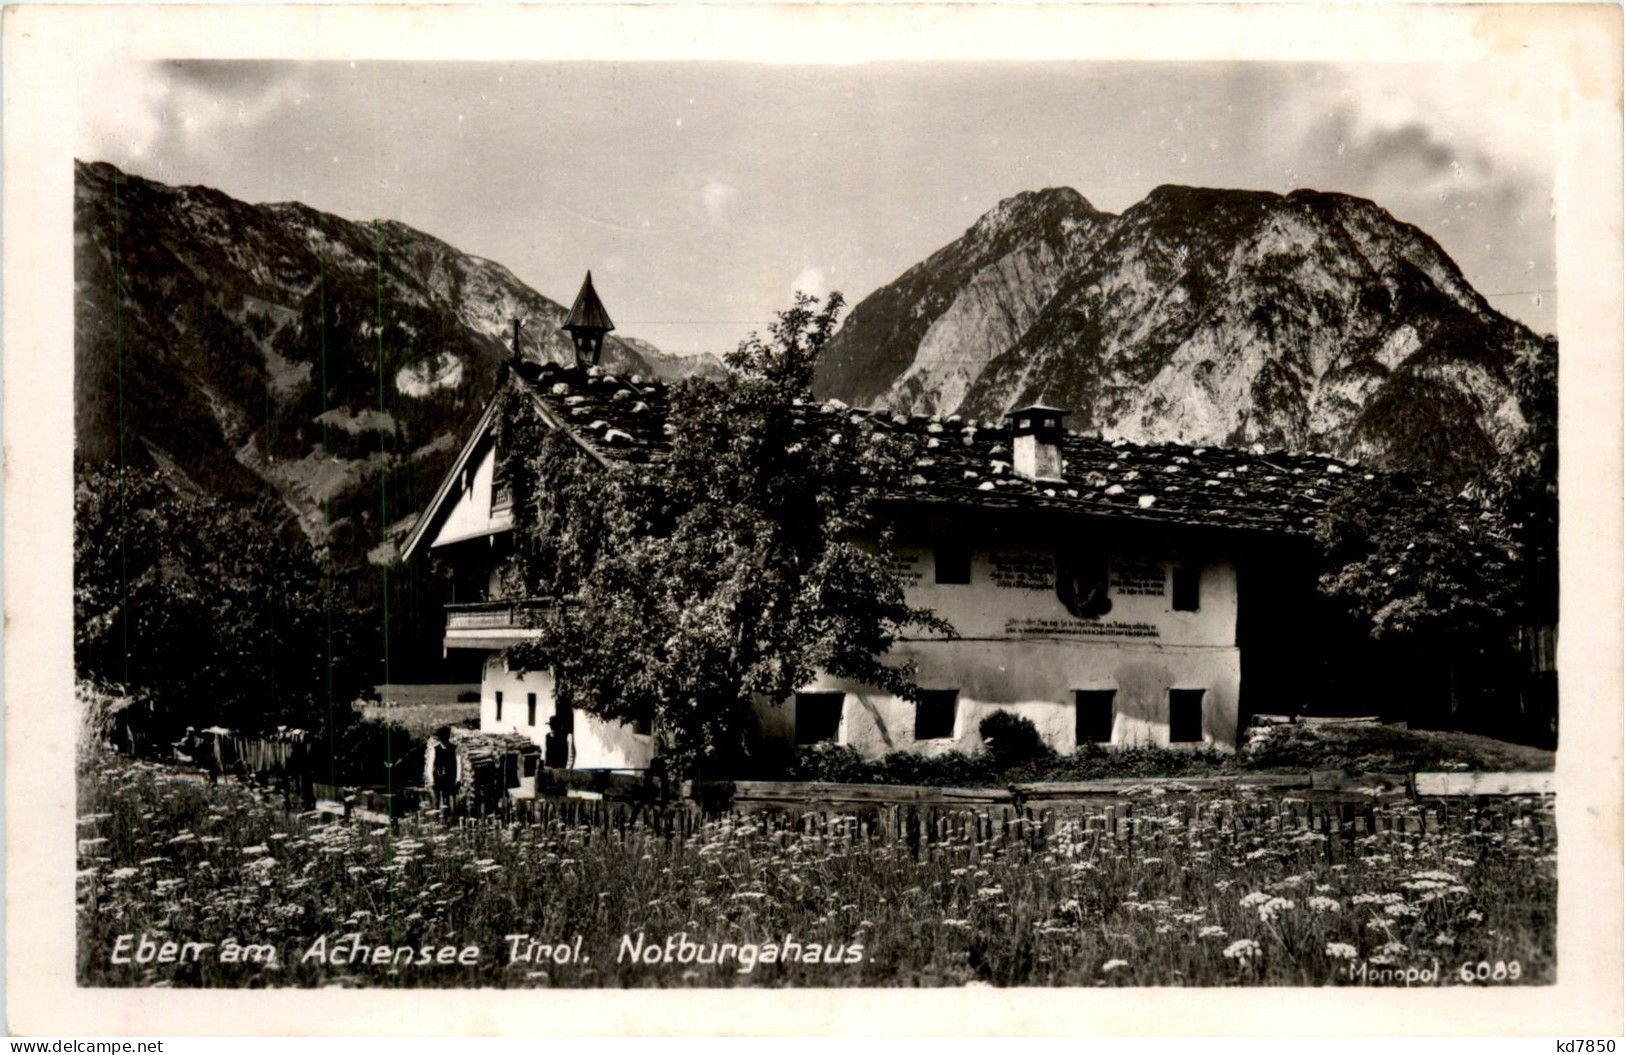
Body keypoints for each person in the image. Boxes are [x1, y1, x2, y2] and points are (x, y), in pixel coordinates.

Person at [424, 726, 461, 812]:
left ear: (448, 737)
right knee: (436, 800)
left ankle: (448, 818)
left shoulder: (454, 749)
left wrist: (458, 779)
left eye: (446, 736)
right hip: (438, 777)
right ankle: (437, 817)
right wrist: (431, 779)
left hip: (449, 777)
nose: (444, 739)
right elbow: (430, 764)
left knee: (447, 798)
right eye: (442, 737)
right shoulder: (435, 749)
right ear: (440, 738)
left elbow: (459, 764)